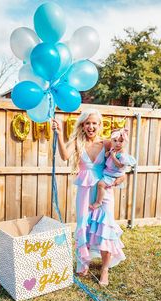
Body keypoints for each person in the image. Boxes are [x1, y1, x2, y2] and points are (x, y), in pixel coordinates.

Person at [52, 109, 126, 286]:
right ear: (83, 125)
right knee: (83, 224)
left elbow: (122, 165)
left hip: (104, 191)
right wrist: (59, 134)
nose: (91, 126)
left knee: (105, 226)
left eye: (94, 123)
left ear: (99, 126)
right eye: (87, 123)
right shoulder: (78, 142)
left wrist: (117, 180)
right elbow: (64, 156)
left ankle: (105, 269)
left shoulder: (107, 144)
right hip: (85, 191)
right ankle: (83, 262)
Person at [89, 128, 136, 210]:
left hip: (114, 175)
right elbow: (108, 156)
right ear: (111, 141)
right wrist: (108, 154)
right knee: (100, 185)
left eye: (121, 141)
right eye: (115, 141)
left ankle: (98, 202)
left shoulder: (122, 154)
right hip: (108, 172)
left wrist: (113, 157)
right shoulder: (113, 149)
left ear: (124, 142)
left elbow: (120, 165)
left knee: (101, 184)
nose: (118, 143)